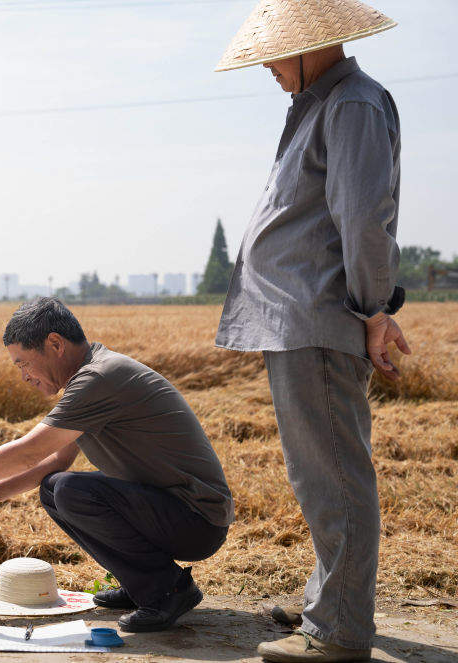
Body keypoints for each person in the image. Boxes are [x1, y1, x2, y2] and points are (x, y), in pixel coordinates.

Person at [213, 1, 411, 661]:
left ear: (312, 45)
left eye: (273, 54)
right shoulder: (323, 104)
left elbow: (360, 217)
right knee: (317, 474)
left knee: (334, 476)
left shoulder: (350, 104)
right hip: (301, 320)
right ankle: (326, 603)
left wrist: (373, 306)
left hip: (321, 316)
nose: (268, 67)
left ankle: (340, 632)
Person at [0, 297, 233, 632]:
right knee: (55, 490)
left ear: (55, 344)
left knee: (70, 491)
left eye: (23, 363)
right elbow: (56, 459)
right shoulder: (92, 376)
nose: (24, 376)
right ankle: (142, 584)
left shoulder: (99, 377)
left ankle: (167, 589)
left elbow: (30, 451)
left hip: (197, 518)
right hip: (174, 511)